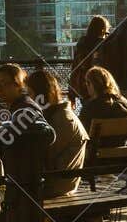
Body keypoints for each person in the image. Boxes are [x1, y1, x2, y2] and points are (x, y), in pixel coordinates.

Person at [25, 68, 87, 197]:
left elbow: (43, 156)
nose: (28, 99)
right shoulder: (62, 114)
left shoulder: (58, 120)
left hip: (55, 186)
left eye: (29, 94)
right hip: (64, 182)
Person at [69, 15, 111, 98]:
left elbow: (74, 67)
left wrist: (71, 93)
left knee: (88, 108)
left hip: (83, 86)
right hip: (100, 86)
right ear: (102, 30)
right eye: (106, 33)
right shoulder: (104, 45)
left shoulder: (82, 43)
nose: (106, 36)